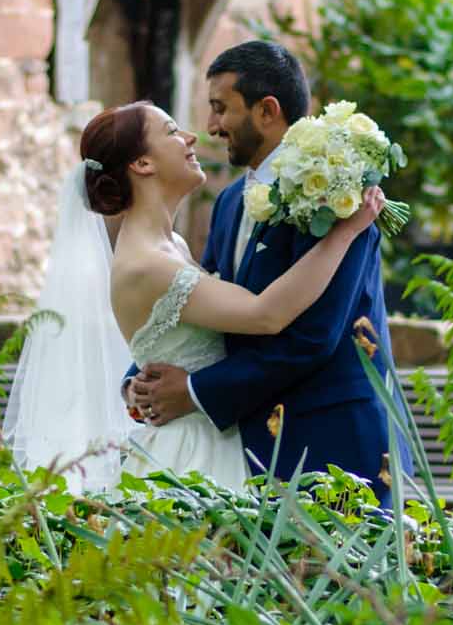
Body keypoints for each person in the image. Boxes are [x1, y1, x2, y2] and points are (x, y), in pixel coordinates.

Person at [0, 97, 383, 490]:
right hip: (192, 452)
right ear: (142, 164)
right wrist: (345, 233)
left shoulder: (173, 246)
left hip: (217, 437)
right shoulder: (148, 263)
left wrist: (137, 383)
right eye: (171, 132)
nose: (190, 138)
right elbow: (266, 314)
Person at [129, 40, 414, 500]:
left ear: (267, 110)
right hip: (252, 450)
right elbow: (205, 310)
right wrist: (144, 378)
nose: (211, 126)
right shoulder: (226, 204)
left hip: (336, 444)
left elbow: (313, 337)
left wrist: (195, 391)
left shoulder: (341, 196)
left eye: (221, 108)